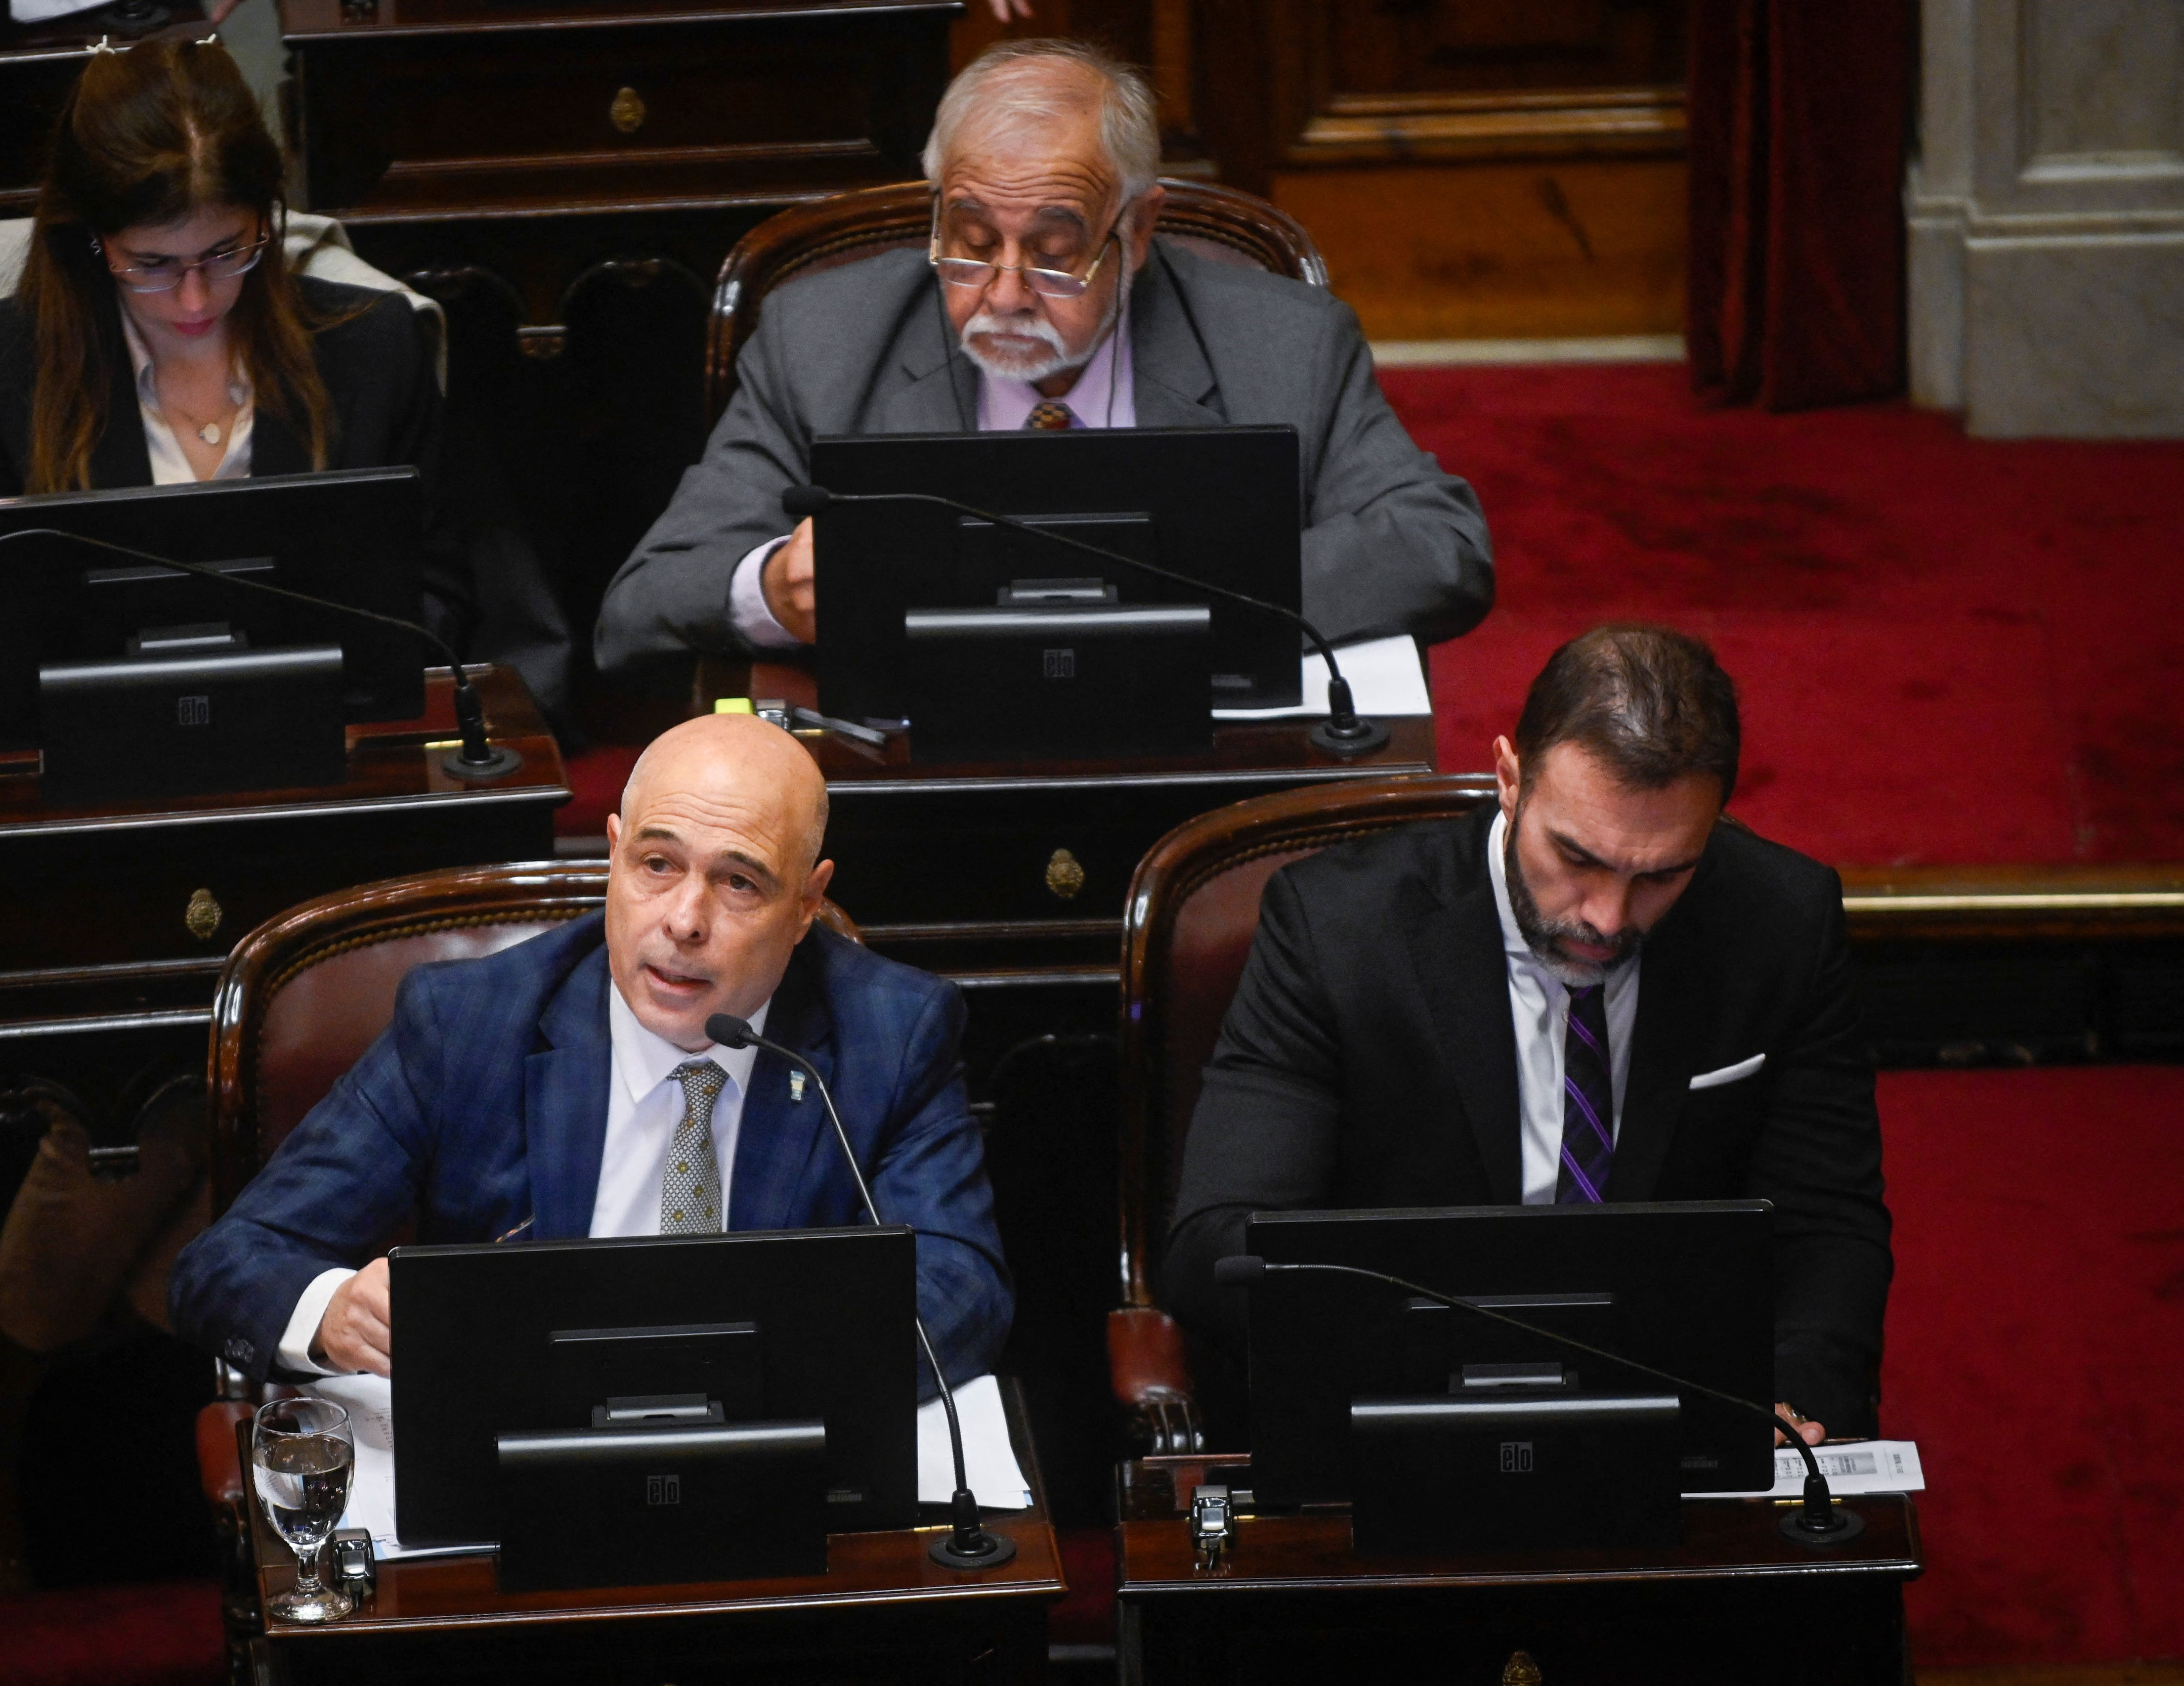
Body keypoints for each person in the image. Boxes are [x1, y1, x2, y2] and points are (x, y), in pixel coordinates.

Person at [1162, 624, 1893, 1441]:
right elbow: (1220, 1245)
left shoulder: (1780, 924)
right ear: (1510, 779)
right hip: (1406, 1413)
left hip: (1677, 1415)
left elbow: (1827, 1222)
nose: (1608, 917)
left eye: (1662, 873)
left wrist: (1795, 1398)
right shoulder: (1336, 930)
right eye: (1576, 857)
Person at [169, 712, 1013, 1395]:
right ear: (611, 852)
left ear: (807, 902)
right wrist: (336, 1311)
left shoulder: (891, 1031)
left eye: (739, 881)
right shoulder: (470, 1022)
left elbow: (960, 1286)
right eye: (656, 863)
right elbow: (229, 1263)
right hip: (518, 1480)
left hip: (772, 1461)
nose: (684, 920)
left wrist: (736, 1375)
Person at [592, 37, 1491, 674]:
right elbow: (643, 600)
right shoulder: (821, 341)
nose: (1007, 292)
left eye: (1056, 253)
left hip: (1191, 761)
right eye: (972, 240)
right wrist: (776, 589)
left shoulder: (1286, 343)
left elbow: (1438, 546)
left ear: (1138, 229)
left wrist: (1168, 589)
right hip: (918, 781)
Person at [0, 35, 459, 625]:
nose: (194, 298)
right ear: (92, 239)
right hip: (98, 719)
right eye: (152, 264)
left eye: (226, 252)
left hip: (336, 714)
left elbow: (439, 595)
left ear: (268, 218)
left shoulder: (374, 346)